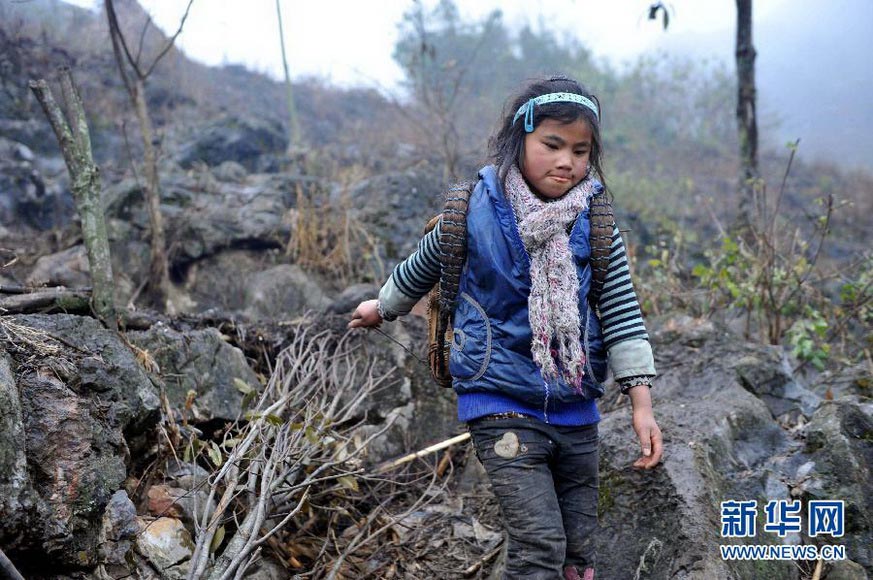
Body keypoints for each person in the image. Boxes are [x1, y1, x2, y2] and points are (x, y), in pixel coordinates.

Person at [349, 75, 663, 580]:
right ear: (520, 141)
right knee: (539, 545)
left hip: (576, 408)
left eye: (581, 151)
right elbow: (423, 264)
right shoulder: (474, 209)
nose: (567, 161)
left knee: (579, 555)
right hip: (499, 401)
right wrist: (381, 306)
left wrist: (641, 404)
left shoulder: (595, 221)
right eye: (552, 145)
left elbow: (621, 309)